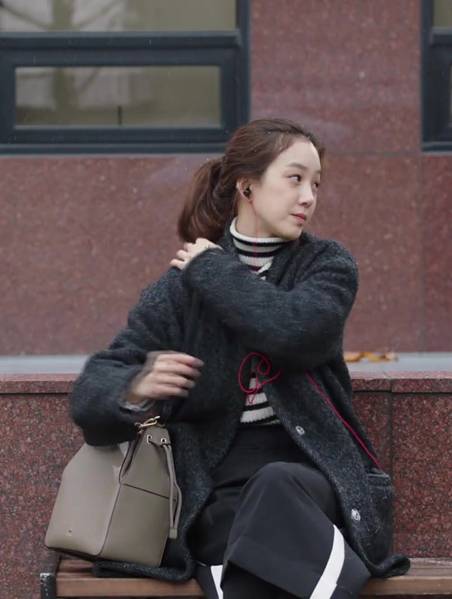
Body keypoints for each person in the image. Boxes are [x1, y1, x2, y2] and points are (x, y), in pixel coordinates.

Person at [69, 118, 411, 598]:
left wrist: (214, 270)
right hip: (216, 487)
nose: (309, 197)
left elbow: (295, 333)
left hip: (313, 475)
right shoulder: (178, 291)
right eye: (295, 179)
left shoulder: (326, 265)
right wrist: (134, 386)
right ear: (247, 186)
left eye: (316, 184)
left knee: (272, 490)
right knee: (235, 521)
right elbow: (89, 395)